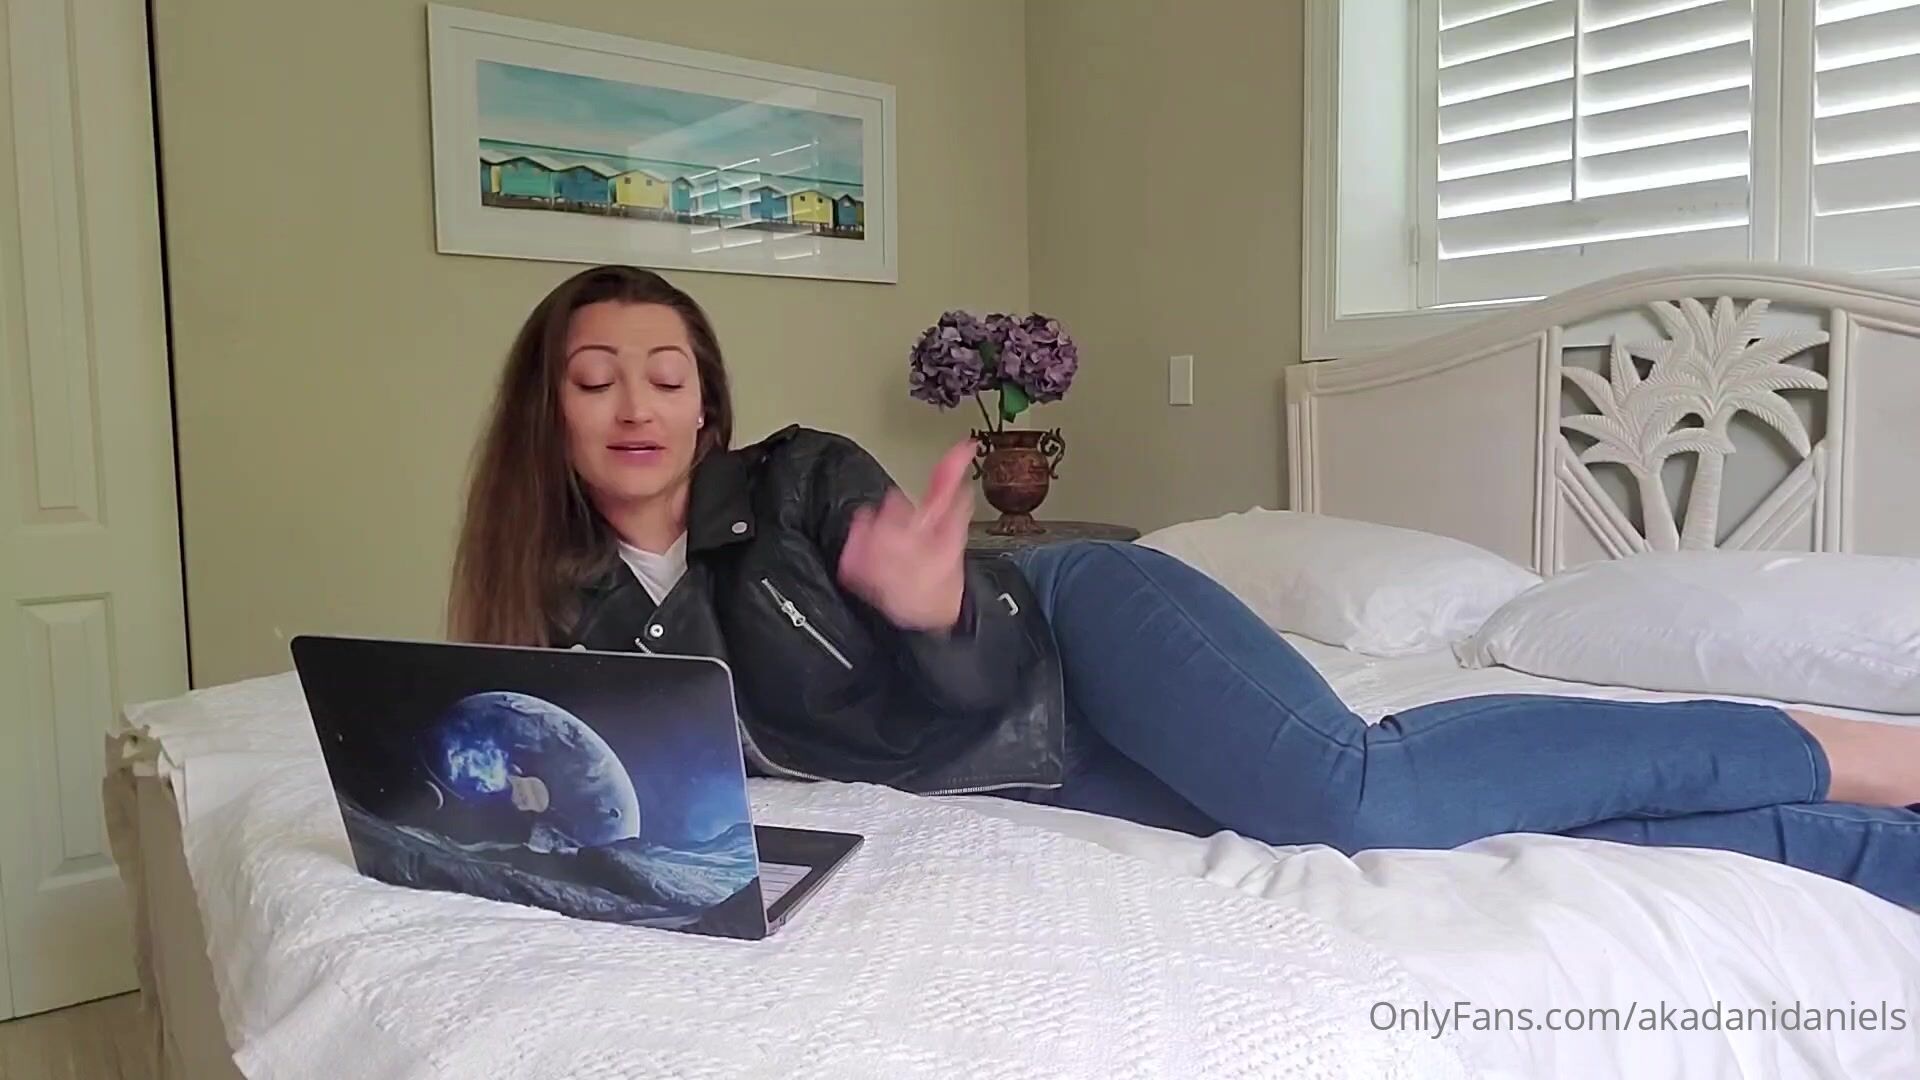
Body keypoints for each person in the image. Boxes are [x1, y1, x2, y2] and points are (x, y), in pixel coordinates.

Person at [448, 264, 1920, 910]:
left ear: (708, 405)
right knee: (1459, 841)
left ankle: (1831, 741)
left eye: (668, 375)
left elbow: (970, 675)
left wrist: (933, 604)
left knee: (1362, 794)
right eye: (597, 378)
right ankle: (1864, 852)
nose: (637, 405)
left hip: (1079, 638)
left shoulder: (799, 484)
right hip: (1038, 774)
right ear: (548, 410)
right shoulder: (571, 611)